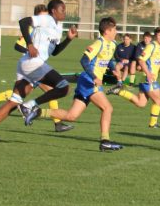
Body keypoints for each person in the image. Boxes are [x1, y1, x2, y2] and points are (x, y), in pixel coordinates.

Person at [0, 0, 78, 143]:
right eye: (62, 10)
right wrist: (29, 44)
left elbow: (55, 52)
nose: (65, 13)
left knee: (13, 102)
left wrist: (69, 39)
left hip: (28, 65)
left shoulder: (58, 28)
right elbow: (23, 22)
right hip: (33, 63)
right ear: (53, 10)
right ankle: (30, 106)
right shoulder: (46, 18)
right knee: (64, 88)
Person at [25, 17, 123, 151]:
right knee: (108, 108)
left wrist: (113, 69)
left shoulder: (112, 45)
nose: (116, 32)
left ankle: (39, 112)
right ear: (107, 31)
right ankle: (105, 141)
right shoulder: (98, 44)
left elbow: (107, 60)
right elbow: (84, 61)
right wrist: (94, 77)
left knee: (72, 116)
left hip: (89, 82)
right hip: (89, 81)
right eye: (114, 29)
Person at [111, 27, 160, 128]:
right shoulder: (151, 46)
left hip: (147, 79)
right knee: (158, 101)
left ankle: (119, 91)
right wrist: (148, 73)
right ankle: (153, 124)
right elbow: (141, 60)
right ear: (155, 36)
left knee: (141, 103)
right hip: (148, 79)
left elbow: (158, 62)